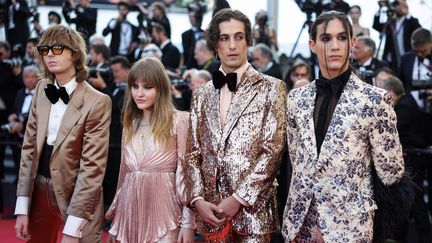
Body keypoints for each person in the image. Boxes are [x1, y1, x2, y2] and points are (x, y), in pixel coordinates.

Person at [282, 11, 404, 242]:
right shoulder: (295, 99)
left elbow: (391, 170)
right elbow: (298, 160)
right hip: (299, 225)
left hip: (350, 227)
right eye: (326, 39)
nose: (335, 46)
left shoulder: (375, 100)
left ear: (352, 42)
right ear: (313, 45)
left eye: (342, 38)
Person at [184, 9, 287, 242]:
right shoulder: (201, 94)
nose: (232, 45)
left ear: (248, 41)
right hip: (210, 213)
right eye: (224, 38)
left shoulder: (272, 88)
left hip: (254, 214)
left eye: (239, 37)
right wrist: (198, 200)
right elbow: (192, 154)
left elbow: (273, 152)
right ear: (215, 44)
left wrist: (238, 199)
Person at [14, 25, 112, 243]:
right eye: (44, 49)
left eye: (58, 48)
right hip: (38, 191)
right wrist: (22, 206)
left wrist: (73, 227)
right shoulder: (41, 88)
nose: (49, 54)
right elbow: (29, 148)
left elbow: (92, 167)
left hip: (77, 196)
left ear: (75, 53)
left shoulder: (97, 101)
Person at [105, 57, 195, 242]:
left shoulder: (180, 121)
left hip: (166, 216)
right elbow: (124, 176)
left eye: (147, 86)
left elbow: (186, 175)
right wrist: (116, 222)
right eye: (135, 86)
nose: (139, 93)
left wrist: (188, 223)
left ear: (160, 88)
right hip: (129, 215)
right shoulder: (130, 125)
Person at [373, 0, 421, 71]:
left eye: (400, 4)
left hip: (408, 58)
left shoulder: (410, 21)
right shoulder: (390, 22)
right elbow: (376, 26)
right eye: (396, 4)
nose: (398, 7)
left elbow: (419, 31)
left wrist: (407, 13)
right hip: (392, 60)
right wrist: (381, 8)